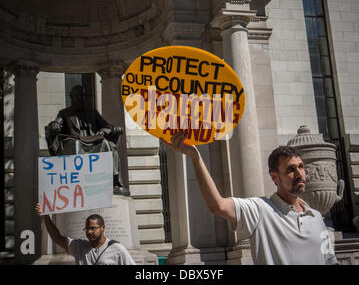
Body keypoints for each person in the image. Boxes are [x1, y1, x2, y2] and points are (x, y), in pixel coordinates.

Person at [163, 132, 337, 265]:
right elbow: (218, 205)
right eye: (291, 169)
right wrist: (196, 157)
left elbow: (330, 261)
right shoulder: (260, 209)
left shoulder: (317, 218)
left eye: (301, 167)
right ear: (275, 178)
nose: (299, 174)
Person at [45, 85, 129, 196]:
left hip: (93, 142)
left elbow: (107, 126)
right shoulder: (64, 113)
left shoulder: (93, 113)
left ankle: (114, 183)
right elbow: (56, 123)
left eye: (82, 95)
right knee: (75, 145)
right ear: (71, 97)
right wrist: (54, 124)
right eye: (77, 95)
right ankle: (75, 184)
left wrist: (103, 131)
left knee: (106, 144)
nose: (80, 98)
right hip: (75, 141)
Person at [35, 203, 136, 265]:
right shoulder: (79, 246)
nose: (89, 232)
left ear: (103, 228)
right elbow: (57, 238)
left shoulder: (117, 249)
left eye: (93, 228)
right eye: (87, 228)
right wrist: (45, 216)